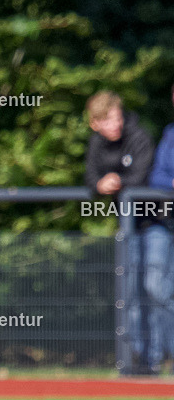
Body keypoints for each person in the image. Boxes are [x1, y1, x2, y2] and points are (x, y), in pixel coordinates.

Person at [83, 91, 154, 374]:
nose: (116, 124)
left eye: (118, 117)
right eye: (108, 119)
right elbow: (89, 178)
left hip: (154, 222)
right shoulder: (97, 143)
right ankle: (135, 360)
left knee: (156, 288)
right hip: (127, 226)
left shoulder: (139, 136)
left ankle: (155, 357)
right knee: (132, 291)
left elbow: (144, 177)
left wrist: (119, 181)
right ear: (95, 123)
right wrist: (100, 184)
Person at [144, 83, 174, 373]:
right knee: (156, 289)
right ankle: (157, 357)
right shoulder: (170, 134)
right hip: (166, 221)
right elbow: (157, 177)